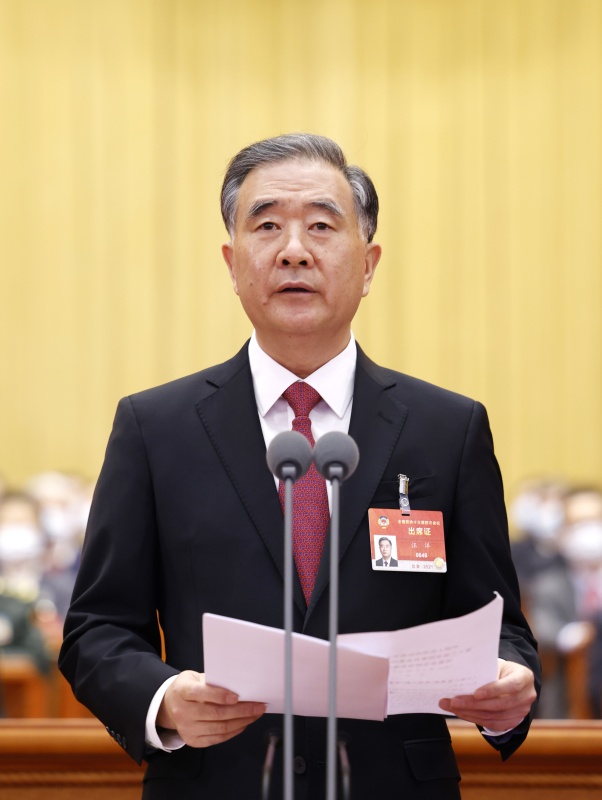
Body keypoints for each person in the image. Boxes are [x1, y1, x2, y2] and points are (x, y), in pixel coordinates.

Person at [59, 133, 540, 800]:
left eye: (321, 225)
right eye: (266, 226)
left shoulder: (446, 429)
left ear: (368, 265)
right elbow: (98, 628)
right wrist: (163, 698)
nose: (293, 250)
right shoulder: (156, 427)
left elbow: (499, 623)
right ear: (232, 264)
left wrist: (508, 682)